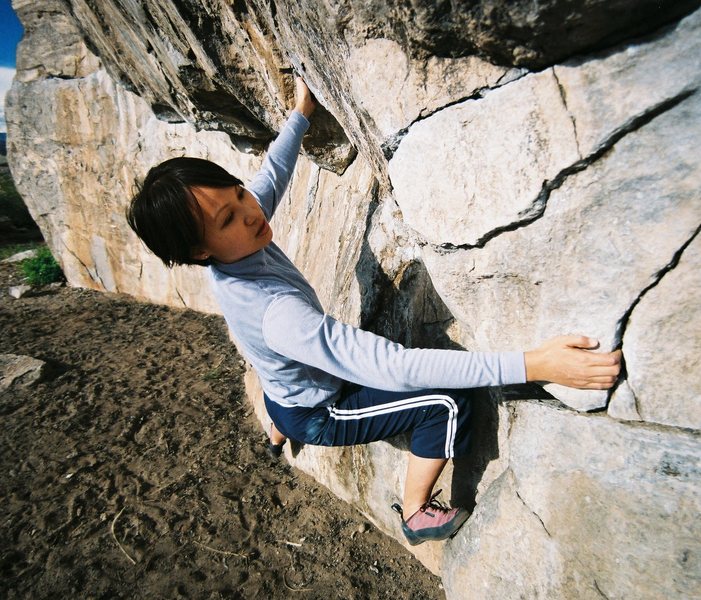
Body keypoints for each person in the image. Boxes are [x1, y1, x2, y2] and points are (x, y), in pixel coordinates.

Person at [127, 78, 621, 546]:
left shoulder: (235, 245)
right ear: (198, 252)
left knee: (280, 380)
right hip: (319, 410)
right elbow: (394, 366)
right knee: (449, 401)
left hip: (286, 390)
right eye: (229, 216)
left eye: (236, 193)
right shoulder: (276, 314)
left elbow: (270, 176)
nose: (250, 211)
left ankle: (276, 422)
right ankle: (414, 511)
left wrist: (301, 113)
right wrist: (532, 365)